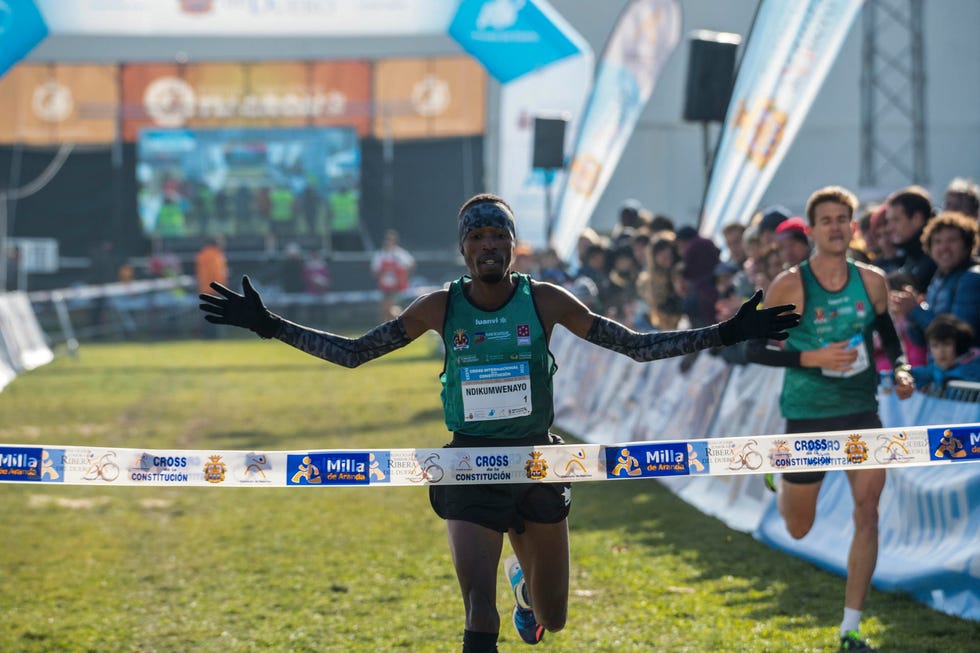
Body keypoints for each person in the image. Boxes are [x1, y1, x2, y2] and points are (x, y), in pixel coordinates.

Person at [199, 193, 800, 653]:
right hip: (467, 467)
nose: (488, 246)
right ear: (463, 249)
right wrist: (270, 325)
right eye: (477, 237)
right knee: (476, 616)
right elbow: (357, 353)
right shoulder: (440, 305)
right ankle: (493, 601)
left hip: (538, 461)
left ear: (513, 246)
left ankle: (527, 588)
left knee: (554, 619)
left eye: (498, 236)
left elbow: (636, 347)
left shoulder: (545, 300)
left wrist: (728, 332)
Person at [746, 185, 915, 653]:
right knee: (799, 526)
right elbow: (752, 348)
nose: (837, 227)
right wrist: (813, 358)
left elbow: (886, 332)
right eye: (827, 220)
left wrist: (899, 367)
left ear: (854, 227)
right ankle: (779, 476)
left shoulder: (872, 280)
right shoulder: (791, 284)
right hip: (807, 414)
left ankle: (851, 627)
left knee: (868, 511)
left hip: (862, 411)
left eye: (844, 218)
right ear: (813, 229)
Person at [888, 211, 980, 349]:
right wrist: (910, 311)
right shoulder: (938, 279)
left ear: (967, 245)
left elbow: (959, 338)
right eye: (937, 241)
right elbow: (922, 340)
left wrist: (915, 311)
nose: (944, 248)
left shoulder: (971, 279)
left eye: (952, 240)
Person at [908, 314, 980, 395]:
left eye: (947, 344)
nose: (941, 351)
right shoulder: (937, 369)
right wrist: (899, 373)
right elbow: (919, 374)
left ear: (960, 345)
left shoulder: (974, 368)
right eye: (935, 345)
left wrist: (947, 380)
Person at [370, 229, 415, 321]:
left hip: (397, 287)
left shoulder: (400, 254)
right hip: (384, 287)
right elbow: (374, 272)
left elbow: (411, 265)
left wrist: (403, 277)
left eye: (391, 239)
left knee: (390, 307)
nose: (388, 242)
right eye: (387, 239)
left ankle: (400, 322)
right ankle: (386, 327)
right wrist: (382, 271)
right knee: (384, 310)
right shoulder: (379, 254)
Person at [195, 237, 228, 339]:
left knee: (206, 312)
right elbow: (217, 273)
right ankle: (215, 336)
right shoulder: (217, 256)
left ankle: (206, 335)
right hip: (215, 288)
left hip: (204, 288)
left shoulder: (201, 255)